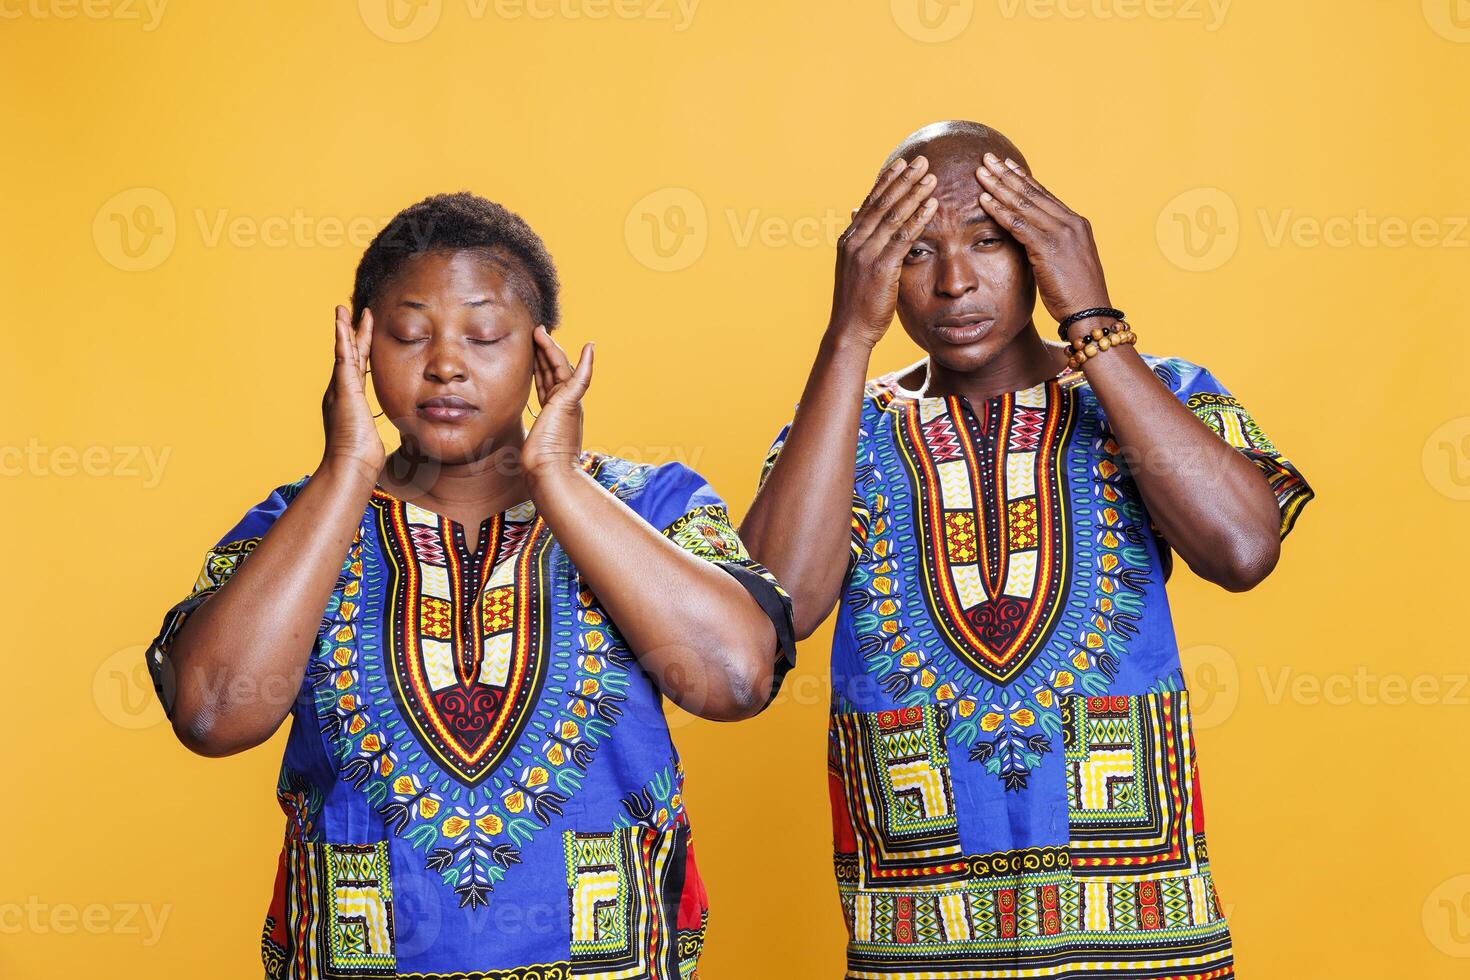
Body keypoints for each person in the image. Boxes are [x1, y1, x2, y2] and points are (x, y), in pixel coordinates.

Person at [144, 192, 796, 979]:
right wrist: (347, 470)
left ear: (538, 350)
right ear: (357, 348)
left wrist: (557, 479)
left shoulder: (649, 507)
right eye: (408, 335)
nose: (445, 363)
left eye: (484, 336)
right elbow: (213, 714)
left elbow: (735, 678)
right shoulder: (298, 525)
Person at [741, 121, 1313, 979]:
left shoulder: (1157, 397)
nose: (955, 282)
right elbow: (760, 619)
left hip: (1142, 929)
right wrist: (846, 339)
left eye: (989, 241)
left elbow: (1241, 549)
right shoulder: (837, 433)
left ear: (1045, 250)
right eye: (914, 252)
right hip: (921, 934)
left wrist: (1092, 320)